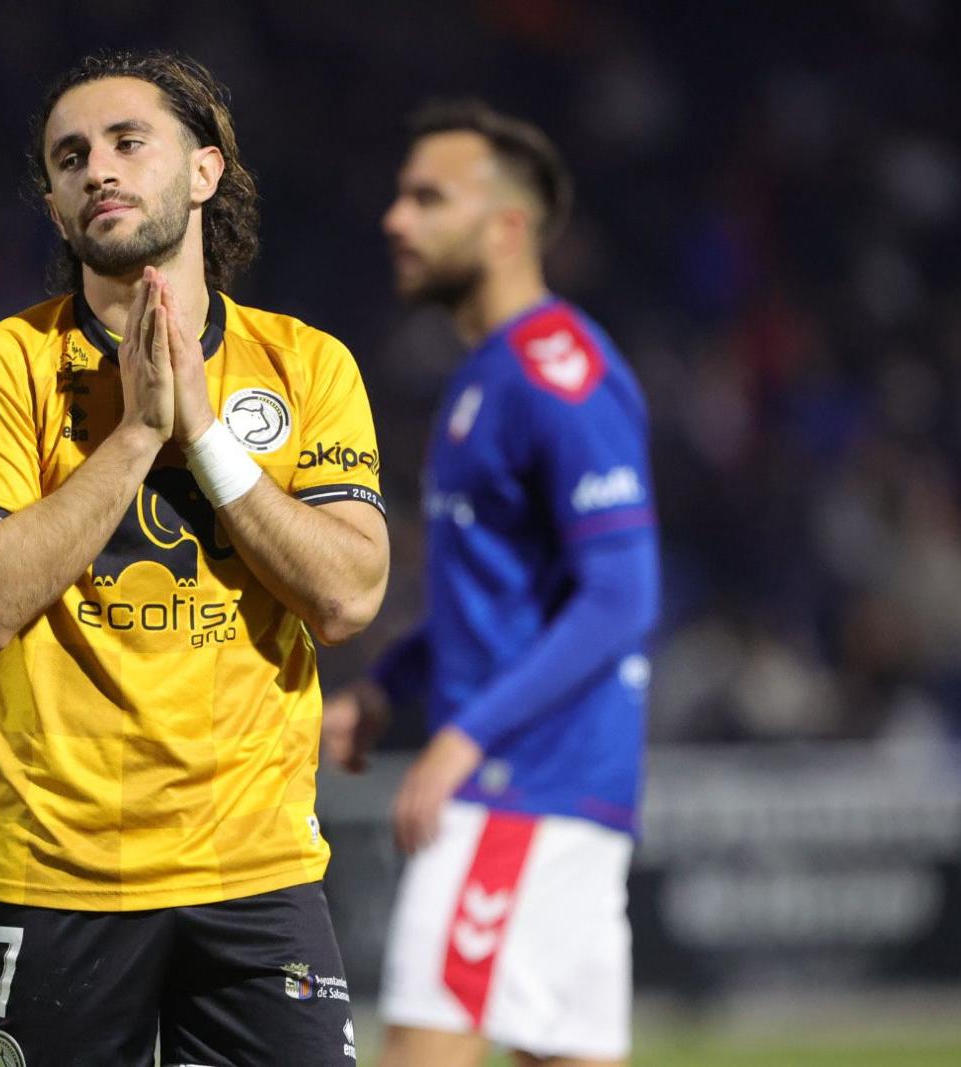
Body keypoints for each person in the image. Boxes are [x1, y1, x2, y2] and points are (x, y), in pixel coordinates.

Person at [0, 50, 389, 1066]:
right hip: (60, 877)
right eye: (71, 156)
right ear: (52, 206)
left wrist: (205, 438)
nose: (99, 169)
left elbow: (349, 592)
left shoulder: (306, 364)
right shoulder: (4, 368)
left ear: (205, 171)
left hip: (255, 872)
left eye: (129, 142)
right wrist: (136, 434)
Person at [322, 100, 661, 1067]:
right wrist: (392, 685)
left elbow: (620, 597)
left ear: (508, 228)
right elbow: (504, 599)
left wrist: (462, 740)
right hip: (549, 790)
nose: (396, 218)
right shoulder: (488, 375)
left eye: (428, 197)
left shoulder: (559, 373)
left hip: (520, 790)